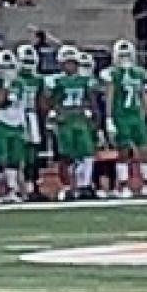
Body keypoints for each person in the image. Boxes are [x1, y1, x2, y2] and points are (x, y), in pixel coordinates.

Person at [45, 45, 101, 200]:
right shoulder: (55, 80)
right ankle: (68, 186)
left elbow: (92, 101)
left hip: (81, 120)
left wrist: (96, 120)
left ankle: (85, 185)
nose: (71, 66)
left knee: (87, 153)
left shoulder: (85, 80)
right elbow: (49, 101)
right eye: (67, 62)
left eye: (73, 62)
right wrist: (53, 115)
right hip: (65, 121)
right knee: (67, 156)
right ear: (61, 64)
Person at [101, 40, 147, 197]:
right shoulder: (113, 74)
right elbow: (110, 96)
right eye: (122, 55)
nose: (125, 57)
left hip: (137, 116)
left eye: (127, 54)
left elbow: (143, 94)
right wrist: (109, 118)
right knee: (123, 152)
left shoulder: (138, 73)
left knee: (146, 150)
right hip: (121, 116)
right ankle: (123, 185)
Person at [0, 50, 33, 203]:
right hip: (1, 123)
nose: (7, 70)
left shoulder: (21, 83)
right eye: (4, 67)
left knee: (14, 161)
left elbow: (23, 106)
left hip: (17, 125)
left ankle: (11, 190)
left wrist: (25, 126)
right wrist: (6, 85)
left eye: (10, 67)